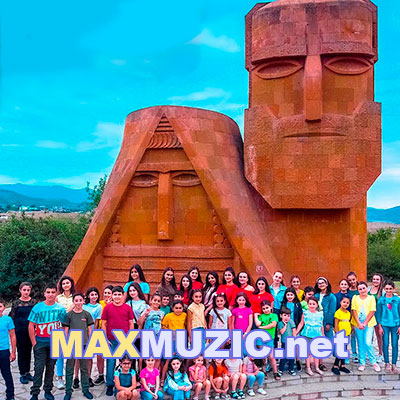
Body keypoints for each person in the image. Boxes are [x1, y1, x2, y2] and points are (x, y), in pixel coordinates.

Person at [28, 282, 67, 400]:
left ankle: (48, 390)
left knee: (50, 368)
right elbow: (31, 325)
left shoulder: (60, 309)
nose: (50, 295)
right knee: (39, 368)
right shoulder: (38, 308)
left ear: (56, 293)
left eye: (53, 292)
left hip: (54, 342)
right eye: (48, 292)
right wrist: (34, 343)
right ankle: (35, 393)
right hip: (40, 342)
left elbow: (64, 325)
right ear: (44, 293)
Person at [102, 286, 134, 396]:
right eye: (114, 294)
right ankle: (110, 384)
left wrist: (130, 338)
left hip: (124, 340)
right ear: (112, 296)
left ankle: (126, 383)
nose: (117, 297)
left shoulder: (127, 308)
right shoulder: (107, 308)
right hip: (111, 340)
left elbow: (131, 324)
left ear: (122, 295)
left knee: (126, 362)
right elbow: (104, 323)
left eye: (119, 294)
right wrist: (105, 338)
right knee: (110, 362)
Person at [63, 292, 94, 400]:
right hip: (72, 345)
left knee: (84, 368)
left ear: (83, 301)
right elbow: (66, 331)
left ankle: (85, 389)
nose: (78, 303)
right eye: (76, 301)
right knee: (69, 368)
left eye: (80, 300)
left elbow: (90, 330)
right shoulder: (69, 315)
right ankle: (68, 391)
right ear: (73, 302)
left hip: (84, 344)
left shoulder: (87, 314)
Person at [351, 281, 381, 372]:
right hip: (358, 324)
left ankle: (373, 362)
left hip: (369, 323)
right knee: (360, 343)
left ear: (366, 288)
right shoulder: (355, 297)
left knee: (368, 342)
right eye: (360, 289)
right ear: (358, 290)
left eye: (364, 288)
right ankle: (362, 362)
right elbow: (354, 310)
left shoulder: (371, 298)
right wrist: (359, 323)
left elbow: (372, 310)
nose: (362, 290)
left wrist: (364, 323)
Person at [10, 281, 35, 384]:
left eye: (28, 290)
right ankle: (22, 373)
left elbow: (36, 317)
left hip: (30, 331)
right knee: (21, 352)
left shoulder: (33, 302)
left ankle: (28, 372)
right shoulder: (16, 303)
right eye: (24, 290)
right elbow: (12, 317)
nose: (26, 292)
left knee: (28, 351)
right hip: (19, 331)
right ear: (20, 290)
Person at [295, 296, 324, 376]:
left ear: (317, 305)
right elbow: (301, 323)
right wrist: (296, 332)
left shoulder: (320, 314)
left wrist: (323, 334)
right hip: (307, 334)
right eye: (310, 304)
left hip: (317, 334)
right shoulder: (305, 313)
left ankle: (317, 367)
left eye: (313, 304)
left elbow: (321, 325)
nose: (311, 305)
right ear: (307, 304)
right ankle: (308, 368)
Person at [55, 275, 76, 390]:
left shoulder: (76, 297)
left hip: (74, 328)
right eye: (63, 283)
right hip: (61, 328)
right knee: (60, 355)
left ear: (71, 284)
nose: (66, 285)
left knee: (72, 354)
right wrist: (68, 310)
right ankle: (59, 378)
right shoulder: (58, 298)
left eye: (67, 283)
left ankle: (70, 377)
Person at [376, 280, 400, 373]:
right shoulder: (381, 300)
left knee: (394, 344)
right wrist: (380, 326)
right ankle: (386, 362)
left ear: (393, 289)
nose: (388, 290)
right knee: (385, 344)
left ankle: (394, 364)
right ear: (383, 289)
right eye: (387, 289)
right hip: (384, 324)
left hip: (395, 324)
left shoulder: (397, 300)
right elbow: (378, 313)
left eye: (390, 289)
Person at [254, 300, 280, 380]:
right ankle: (264, 372)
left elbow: (273, 325)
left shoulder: (274, 315)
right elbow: (257, 324)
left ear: (270, 307)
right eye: (264, 308)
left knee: (271, 357)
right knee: (263, 356)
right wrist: (255, 316)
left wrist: (261, 328)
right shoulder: (261, 316)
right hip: (261, 338)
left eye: (267, 308)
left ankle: (275, 372)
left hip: (269, 338)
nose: (266, 310)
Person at [83, 287, 103, 387]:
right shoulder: (84, 306)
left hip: (93, 333)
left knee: (98, 356)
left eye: (96, 294)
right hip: (83, 333)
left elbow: (96, 322)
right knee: (88, 357)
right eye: (92, 294)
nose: (94, 296)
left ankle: (100, 375)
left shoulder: (99, 307)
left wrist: (93, 333)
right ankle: (88, 377)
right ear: (88, 296)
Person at [95, 285, 113, 386]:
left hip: (112, 332)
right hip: (101, 331)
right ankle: (101, 375)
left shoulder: (116, 303)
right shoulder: (100, 303)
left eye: (109, 293)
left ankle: (113, 374)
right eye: (105, 293)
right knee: (100, 356)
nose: (106, 295)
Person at [0, 297, 16, 400]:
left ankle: (10, 395)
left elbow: (13, 336)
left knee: (6, 374)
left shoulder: (7, 319)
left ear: (3, 307)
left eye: (0, 306)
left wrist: (13, 352)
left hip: (3, 350)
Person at [332, 297, 351, 376]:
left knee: (344, 349)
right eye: (344, 302)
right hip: (340, 334)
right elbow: (336, 324)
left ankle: (342, 365)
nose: (345, 304)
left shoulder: (348, 313)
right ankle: (335, 366)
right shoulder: (338, 312)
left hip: (347, 333)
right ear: (340, 302)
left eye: (347, 303)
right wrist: (337, 333)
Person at [368, 273, 385, 363]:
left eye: (377, 279)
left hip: (378, 316)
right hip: (369, 316)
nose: (375, 281)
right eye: (374, 279)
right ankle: (369, 352)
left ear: (380, 280)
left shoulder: (383, 291)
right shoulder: (368, 289)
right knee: (368, 335)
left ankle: (380, 354)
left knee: (379, 336)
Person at [277, 307, 296, 376]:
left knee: (291, 356)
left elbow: (294, 331)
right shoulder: (280, 323)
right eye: (285, 315)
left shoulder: (291, 322)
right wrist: (285, 325)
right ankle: (281, 369)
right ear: (281, 315)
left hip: (291, 341)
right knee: (283, 356)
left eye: (288, 316)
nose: (286, 317)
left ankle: (291, 369)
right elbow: (281, 332)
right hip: (284, 342)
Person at [346, 271, 359, 363]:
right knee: (350, 336)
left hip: (359, 316)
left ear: (356, 279)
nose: (352, 282)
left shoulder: (360, 289)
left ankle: (361, 353)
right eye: (350, 280)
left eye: (353, 279)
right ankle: (352, 353)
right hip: (348, 316)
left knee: (360, 336)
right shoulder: (347, 291)